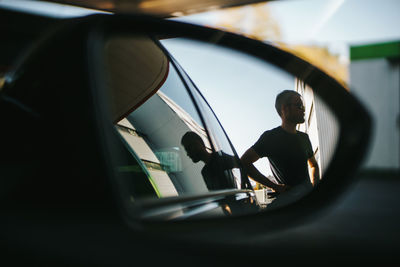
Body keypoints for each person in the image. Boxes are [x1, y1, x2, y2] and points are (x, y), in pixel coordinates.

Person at [240, 90, 320, 202]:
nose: (304, 110)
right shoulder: (271, 137)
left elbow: (313, 165)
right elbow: (244, 162)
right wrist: (275, 186)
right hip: (288, 203)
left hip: (309, 200)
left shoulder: (304, 138)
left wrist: (315, 187)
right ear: (285, 109)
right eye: (299, 105)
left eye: (303, 106)